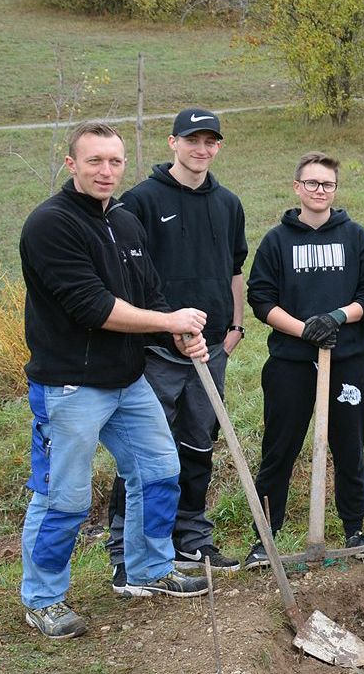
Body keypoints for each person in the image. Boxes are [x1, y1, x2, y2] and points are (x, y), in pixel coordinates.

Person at [18, 121, 210, 639]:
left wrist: (176, 333)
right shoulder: (50, 224)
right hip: (69, 386)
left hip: (127, 380)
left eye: (115, 161)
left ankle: (150, 568)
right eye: (95, 161)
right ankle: (43, 599)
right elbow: (93, 307)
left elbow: (149, 293)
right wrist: (167, 321)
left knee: (159, 471)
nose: (106, 171)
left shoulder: (124, 221)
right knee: (64, 496)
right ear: (72, 164)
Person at [105, 108, 248, 589]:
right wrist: (163, 329)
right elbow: (126, 275)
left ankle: (190, 537)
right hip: (157, 353)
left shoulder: (228, 203)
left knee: (198, 445)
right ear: (173, 142)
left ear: (218, 146)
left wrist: (235, 327)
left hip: (210, 350)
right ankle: (125, 550)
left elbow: (234, 270)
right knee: (145, 451)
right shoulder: (140, 201)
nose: (201, 149)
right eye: (192, 140)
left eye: (210, 141)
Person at [245, 151, 364, 568]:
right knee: (279, 449)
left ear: (335, 189)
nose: (319, 190)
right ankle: (265, 538)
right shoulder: (277, 241)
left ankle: (355, 529)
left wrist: (337, 317)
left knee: (349, 446)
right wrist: (303, 329)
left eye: (327, 184)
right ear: (297, 187)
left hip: (347, 360)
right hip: (290, 362)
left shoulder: (356, 237)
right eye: (311, 183)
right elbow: (260, 299)